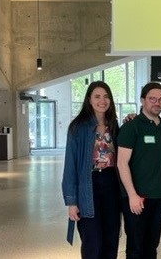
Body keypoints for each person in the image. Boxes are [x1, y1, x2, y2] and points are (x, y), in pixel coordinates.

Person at [62, 81, 121, 258]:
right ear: (89, 100)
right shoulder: (77, 128)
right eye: (97, 96)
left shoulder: (115, 126)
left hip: (112, 185)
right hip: (89, 186)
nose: (102, 100)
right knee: (92, 242)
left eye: (106, 96)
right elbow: (70, 165)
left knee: (111, 239)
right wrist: (71, 202)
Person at [117, 82, 161, 259]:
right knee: (136, 248)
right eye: (152, 99)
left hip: (160, 197)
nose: (157, 103)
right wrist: (132, 195)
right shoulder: (131, 126)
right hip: (137, 199)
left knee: (152, 246)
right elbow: (121, 163)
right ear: (143, 100)